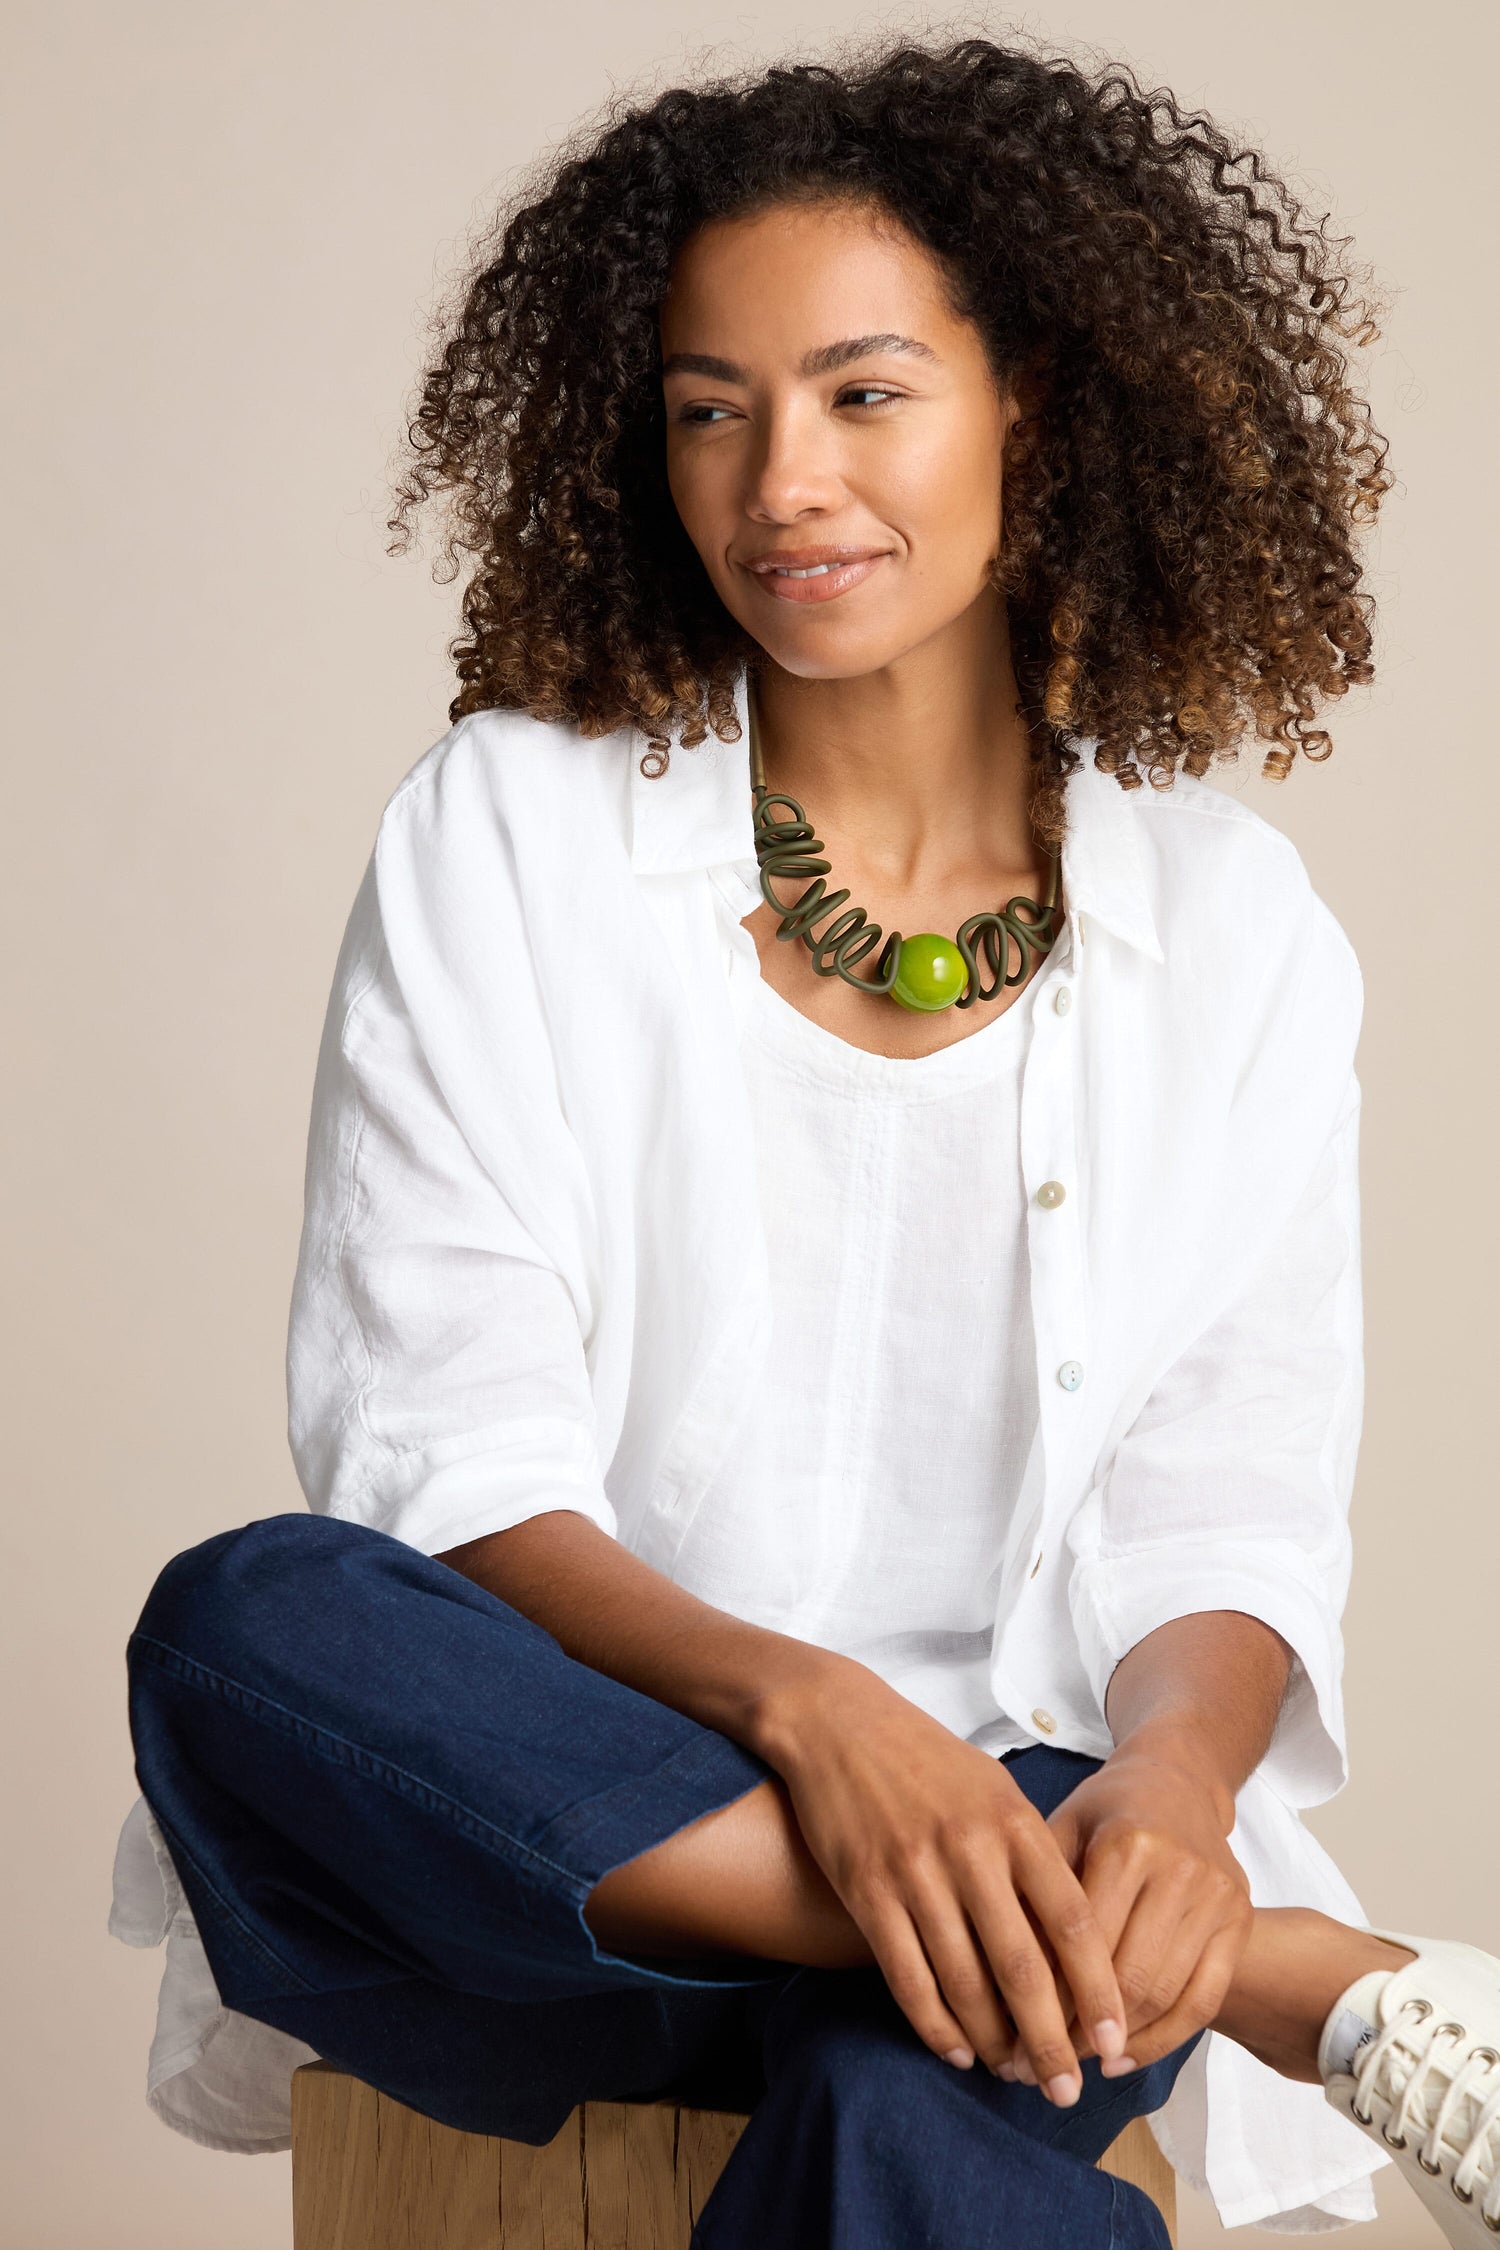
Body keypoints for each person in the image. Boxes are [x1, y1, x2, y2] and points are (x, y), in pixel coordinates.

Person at [110, 31, 1500, 2248]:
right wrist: (818, 1718)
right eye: (709, 408)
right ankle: (1274, 1980)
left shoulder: (1232, 931)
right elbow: (437, 1442)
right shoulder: (509, 834)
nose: (782, 485)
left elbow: (1220, 1496)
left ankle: (1098, 1927)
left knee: (909, 2117)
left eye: (865, 393)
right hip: (581, 1859)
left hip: (1035, 1855)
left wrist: (1164, 1787)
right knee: (248, 1624)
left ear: (1027, 393)